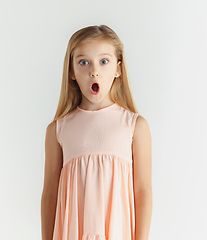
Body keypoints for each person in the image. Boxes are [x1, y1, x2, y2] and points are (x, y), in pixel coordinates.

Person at [41, 24, 152, 240]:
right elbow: (49, 195)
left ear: (118, 69)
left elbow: (143, 191)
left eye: (104, 61)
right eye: (84, 62)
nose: (94, 70)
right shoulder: (57, 130)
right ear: (71, 71)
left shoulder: (134, 126)